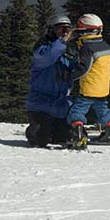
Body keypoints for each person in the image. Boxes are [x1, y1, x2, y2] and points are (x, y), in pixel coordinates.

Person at [66, 13, 110, 144]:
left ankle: (77, 134)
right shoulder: (105, 45)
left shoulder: (87, 48)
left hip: (89, 88)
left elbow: (84, 68)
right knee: (102, 109)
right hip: (103, 88)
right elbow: (109, 67)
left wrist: (69, 76)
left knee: (77, 111)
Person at [25, 15, 76, 148]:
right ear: (52, 30)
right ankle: (35, 130)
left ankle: (58, 131)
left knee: (67, 138)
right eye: (60, 29)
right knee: (40, 140)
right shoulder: (42, 49)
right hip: (41, 104)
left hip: (62, 104)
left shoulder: (70, 50)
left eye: (67, 29)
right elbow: (48, 57)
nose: (64, 32)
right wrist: (63, 41)